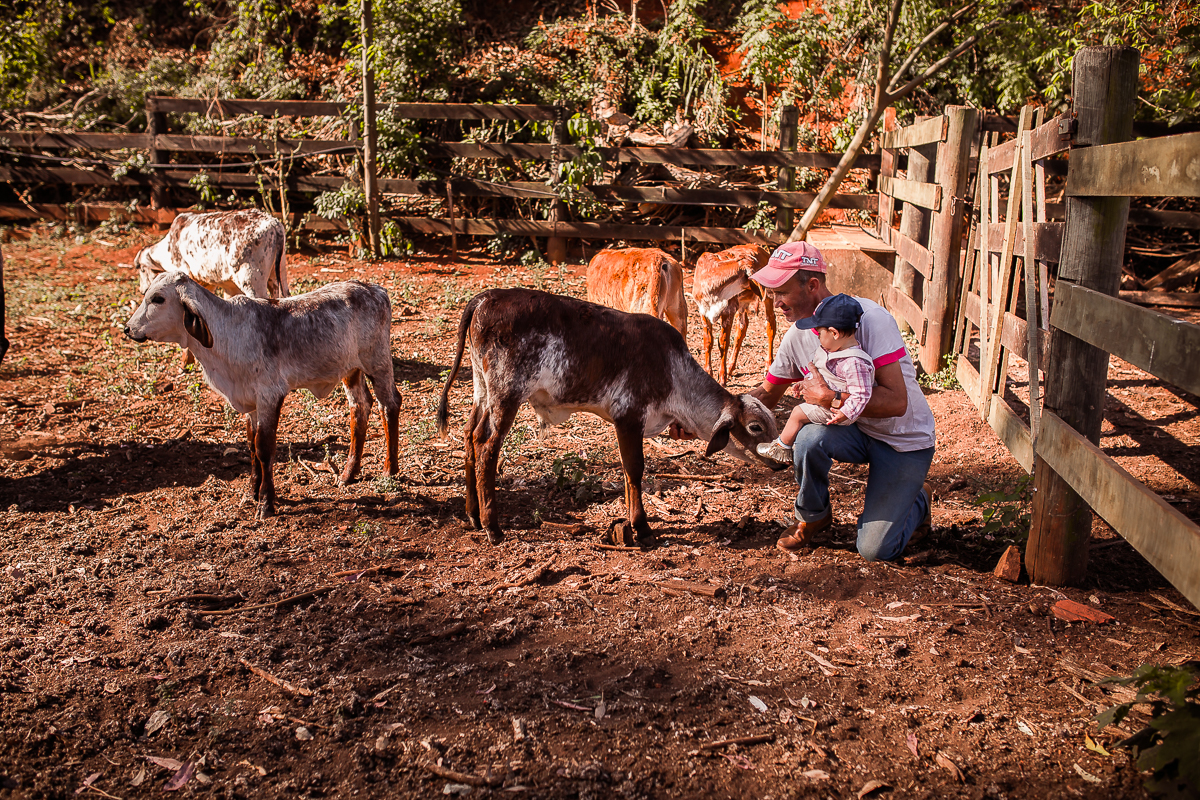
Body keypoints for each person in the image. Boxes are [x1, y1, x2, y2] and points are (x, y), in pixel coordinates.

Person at [748, 241, 934, 561]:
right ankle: (813, 516)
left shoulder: (870, 320)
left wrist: (831, 398)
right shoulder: (796, 337)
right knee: (808, 437)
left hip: (901, 440)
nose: (774, 302)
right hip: (855, 430)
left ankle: (918, 498)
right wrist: (703, 415)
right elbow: (765, 395)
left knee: (875, 551)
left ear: (812, 285)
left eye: (781, 292)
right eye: (771, 292)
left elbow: (896, 403)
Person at [756, 293, 875, 465]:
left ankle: (781, 448)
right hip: (837, 408)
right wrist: (804, 383)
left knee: (798, 413)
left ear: (834, 333)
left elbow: (862, 394)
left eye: (819, 333)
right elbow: (825, 377)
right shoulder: (836, 352)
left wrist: (845, 413)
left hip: (840, 412)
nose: (817, 337)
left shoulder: (854, 363)